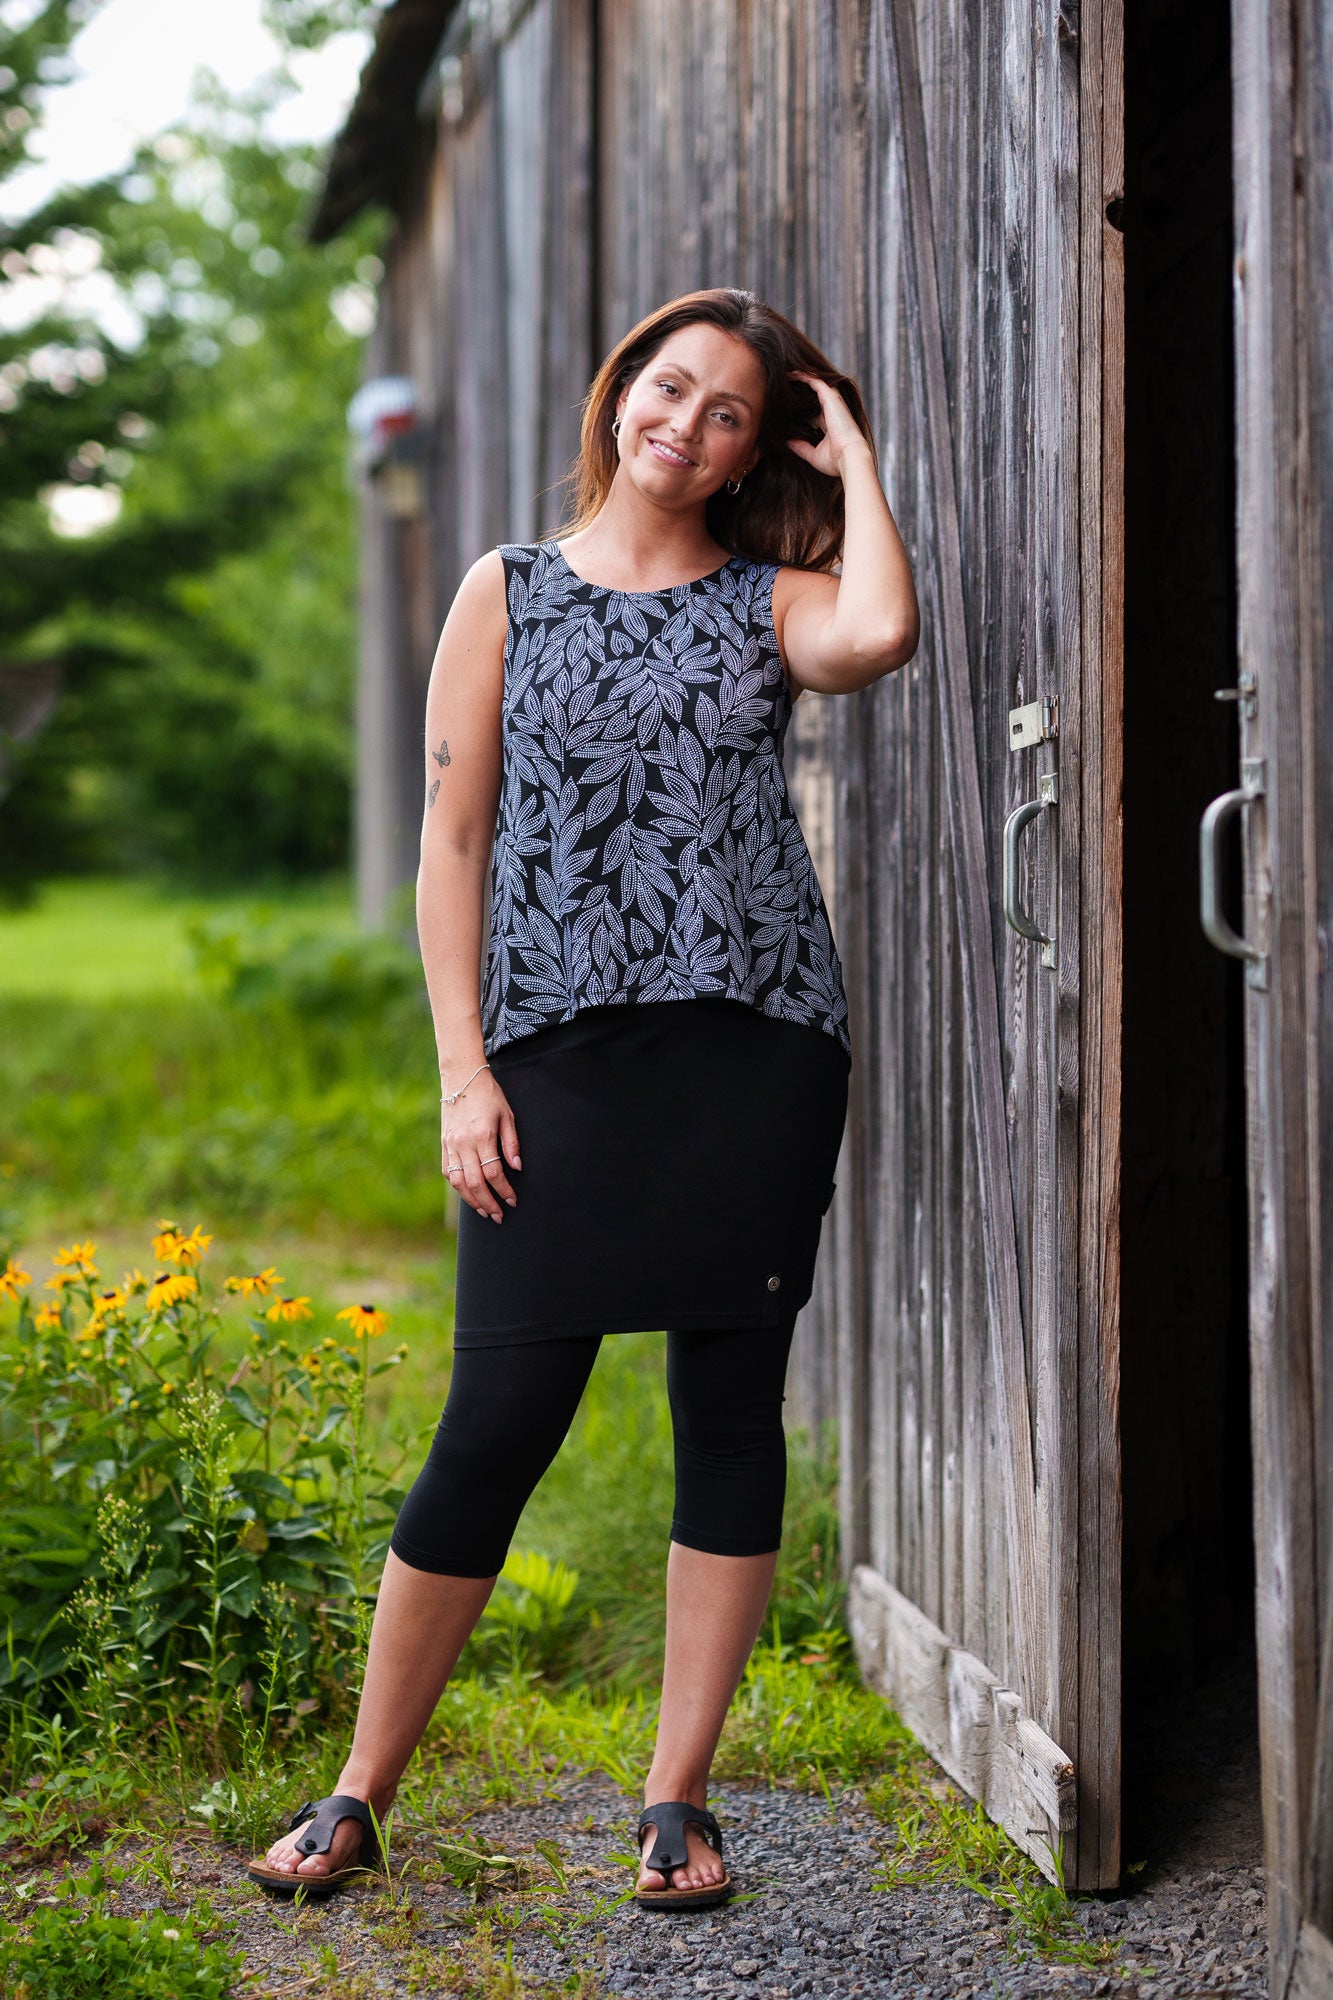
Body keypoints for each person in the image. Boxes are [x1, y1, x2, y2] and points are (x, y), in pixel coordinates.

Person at [247, 286, 918, 1910]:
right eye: (668, 388)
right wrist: (461, 1072)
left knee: (727, 1419)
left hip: (756, 1050)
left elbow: (879, 637)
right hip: (551, 1051)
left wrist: (864, 463)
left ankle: (676, 1801)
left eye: (731, 414)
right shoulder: (508, 590)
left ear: (763, 447)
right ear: (622, 388)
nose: (685, 426)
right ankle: (355, 1793)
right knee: (496, 1421)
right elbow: (452, 846)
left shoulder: (776, 598)